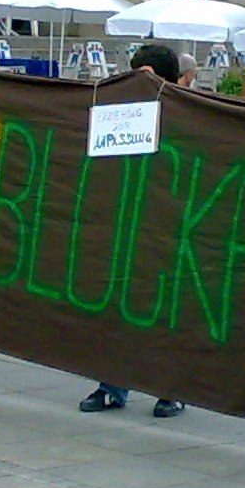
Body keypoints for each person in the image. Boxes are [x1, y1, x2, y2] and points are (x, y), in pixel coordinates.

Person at [80, 43, 186, 419]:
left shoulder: (189, 113)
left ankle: (171, 389)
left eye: (143, 74)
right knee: (118, 309)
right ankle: (112, 386)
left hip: (168, 230)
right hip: (126, 225)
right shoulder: (119, 110)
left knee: (164, 312)